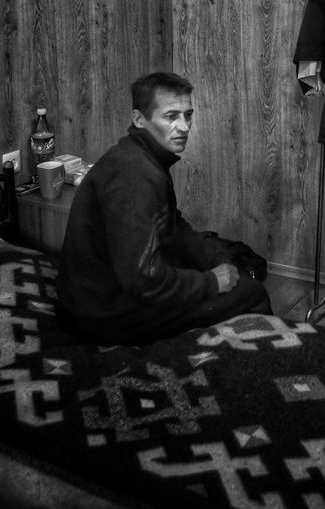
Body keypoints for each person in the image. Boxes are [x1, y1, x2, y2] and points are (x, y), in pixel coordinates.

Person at [57, 71, 272, 345]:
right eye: (171, 116)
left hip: (104, 293)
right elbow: (144, 281)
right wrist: (211, 283)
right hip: (103, 313)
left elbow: (172, 226)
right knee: (251, 294)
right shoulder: (136, 175)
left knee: (229, 263)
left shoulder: (141, 156)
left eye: (188, 115)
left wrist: (216, 259)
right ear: (139, 119)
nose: (184, 127)